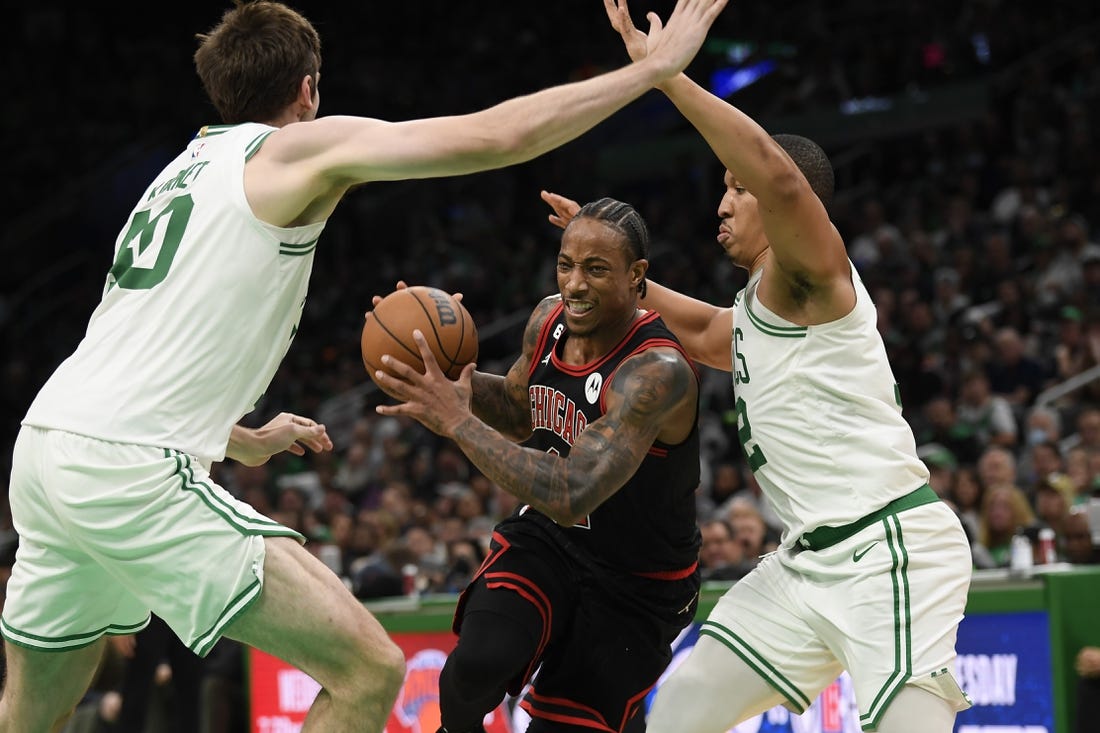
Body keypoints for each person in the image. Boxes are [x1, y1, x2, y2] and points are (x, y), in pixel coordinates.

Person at [0, 1, 730, 730]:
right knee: (368, 669)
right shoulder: (290, 151)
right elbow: (498, 134)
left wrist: (236, 435)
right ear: (310, 91)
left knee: (31, 713)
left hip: (46, 445)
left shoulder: (177, 174)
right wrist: (653, 70)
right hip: (124, 466)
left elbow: (139, 348)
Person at [535, 3, 975, 731]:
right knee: (676, 712)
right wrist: (607, 259)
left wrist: (667, 74)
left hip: (888, 550)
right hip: (805, 567)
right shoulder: (764, 308)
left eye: (736, 188)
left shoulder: (817, 275)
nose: (723, 202)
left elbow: (780, 175)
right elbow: (706, 329)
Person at [372, 197, 703, 733]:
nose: (574, 284)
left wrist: (456, 421)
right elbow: (518, 409)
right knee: (475, 665)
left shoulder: (656, 372)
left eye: (596, 269)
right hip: (548, 541)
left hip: (636, 581)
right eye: (566, 264)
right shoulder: (548, 319)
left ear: (637, 275)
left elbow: (574, 494)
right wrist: (434, 373)